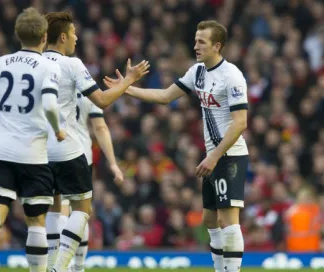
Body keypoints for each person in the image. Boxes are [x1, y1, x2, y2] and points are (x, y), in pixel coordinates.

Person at [105, 20, 248, 272]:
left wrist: (214, 156)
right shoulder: (197, 72)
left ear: (217, 45)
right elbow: (164, 97)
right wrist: (126, 89)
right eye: (195, 40)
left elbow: (240, 123)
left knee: (228, 218)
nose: (195, 46)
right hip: (213, 155)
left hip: (229, 154)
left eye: (201, 42)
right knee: (209, 218)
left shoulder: (232, 76)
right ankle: (220, 268)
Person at [43, 11, 149, 272]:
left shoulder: (34, 65)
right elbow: (101, 110)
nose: (77, 38)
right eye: (75, 33)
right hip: (72, 150)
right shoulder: (74, 67)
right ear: (64, 36)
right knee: (81, 210)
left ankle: (50, 265)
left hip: (38, 151)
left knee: (55, 210)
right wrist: (129, 82)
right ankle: (67, 267)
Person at [0, 7, 64, 272]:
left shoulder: (1, 62)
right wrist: (58, 129)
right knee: (36, 220)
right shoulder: (48, 66)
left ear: (18, 37)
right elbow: (51, 106)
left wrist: (6, 108)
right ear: (44, 37)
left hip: (1, 151)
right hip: (33, 154)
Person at [59, 93, 124, 272]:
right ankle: (77, 266)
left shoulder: (52, 84)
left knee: (60, 210)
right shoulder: (88, 91)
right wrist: (112, 163)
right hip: (82, 156)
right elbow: (100, 127)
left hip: (56, 153)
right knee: (81, 212)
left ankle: (59, 264)